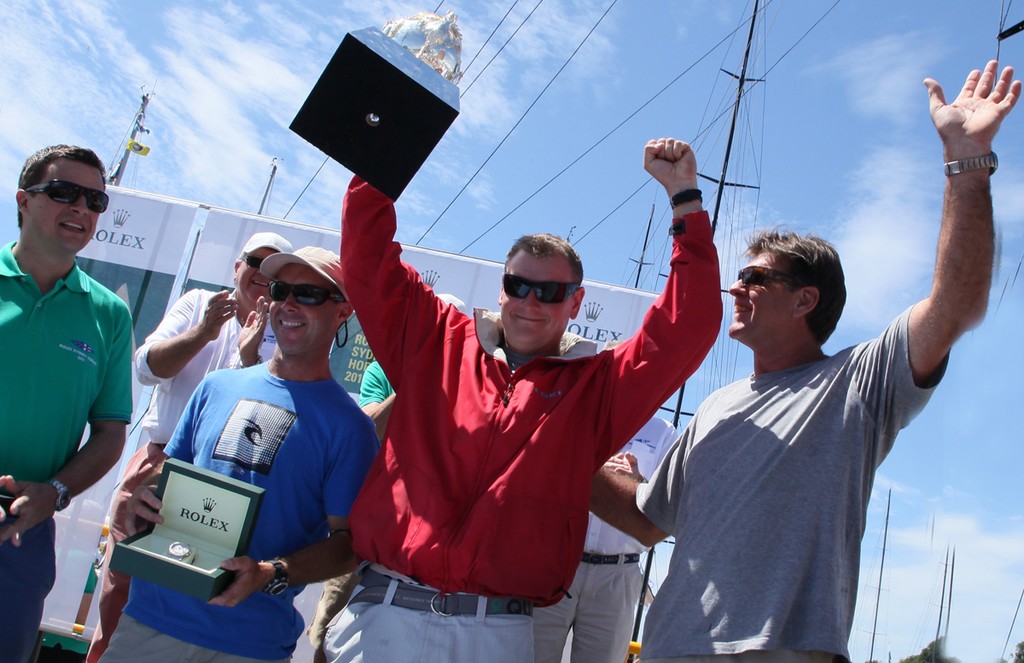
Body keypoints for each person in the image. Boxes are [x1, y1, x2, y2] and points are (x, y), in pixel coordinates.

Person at [590, 61, 1021, 661]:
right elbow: (645, 520)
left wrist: (967, 164)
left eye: (754, 277)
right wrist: (567, 444)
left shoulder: (857, 384)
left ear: (805, 299)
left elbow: (955, 305)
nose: (735, 289)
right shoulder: (716, 407)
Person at [322, 137, 723, 662]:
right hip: (383, 615)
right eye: (520, 286)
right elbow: (367, 258)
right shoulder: (434, 341)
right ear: (501, 289)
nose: (533, 303)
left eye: (552, 292)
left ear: (576, 302)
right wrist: (391, 136)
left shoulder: (596, 387)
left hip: (497, 633)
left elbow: (687, 326)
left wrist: (684, 198)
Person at [100, 246, 379, 663]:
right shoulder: (216, 387)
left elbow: (348, 546)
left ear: (343, 311)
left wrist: (272, 572)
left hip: (249, 643)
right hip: (150, 623)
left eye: (308, 294)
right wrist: (147, 496)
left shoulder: (352, 428)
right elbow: (169, 478)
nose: (288, 304)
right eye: (282, 290)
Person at [87, 230, 293, 662]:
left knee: (207, 591)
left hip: (230, 481)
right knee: (123, 584)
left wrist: (250, 356)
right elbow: (147, 369)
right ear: (237, 267)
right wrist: (204, 332)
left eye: (274, 268)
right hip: (162, 462)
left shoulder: (283, 330)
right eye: (255, 259)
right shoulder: (199, 302)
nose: (260, 272)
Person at [0, 145, 133, 663]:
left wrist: (53, 493)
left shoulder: (110, 315)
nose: (81, 208)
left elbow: (110, 434)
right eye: (63, 193)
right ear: (23, 201)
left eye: (95, 200)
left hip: (21, 532)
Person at [307, 293, 463, 663]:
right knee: (328, 636)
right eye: (431, 328)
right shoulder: (383, 368)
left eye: (445, 331)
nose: (437, 337)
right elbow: (370, 427)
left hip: (429, 542)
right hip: (372, 529)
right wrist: (415, 382)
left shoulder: (472, 386)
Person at [533, 415, 676, 663]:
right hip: (556, 566)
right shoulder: (577, 411)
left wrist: (638, 484)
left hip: (618, 576)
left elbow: (668, 508)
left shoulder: (663, 432)